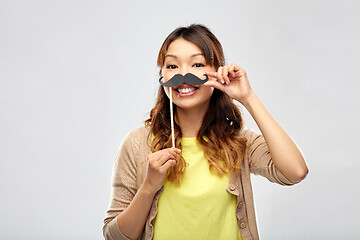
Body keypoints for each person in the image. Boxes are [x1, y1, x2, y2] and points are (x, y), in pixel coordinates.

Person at [103, 24, 309, 240]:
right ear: (162, 76)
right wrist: (148, 187)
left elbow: (295, 172)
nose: (183, 75)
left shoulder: (238, 142)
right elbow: (114, 236)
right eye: (172, 66)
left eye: (197, 64)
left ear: (218, 71)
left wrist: (248, 97)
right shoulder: (137, 144)